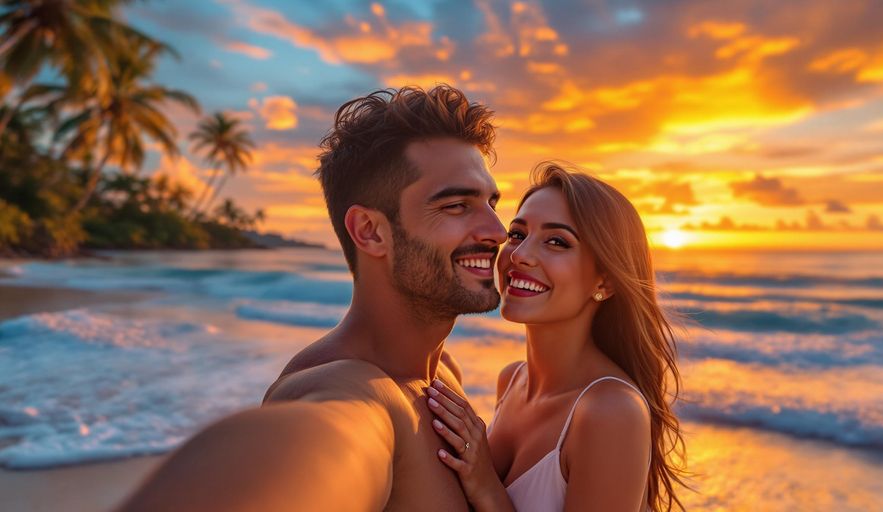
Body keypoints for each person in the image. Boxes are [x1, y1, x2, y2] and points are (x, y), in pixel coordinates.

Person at [118, 85, 506, 511]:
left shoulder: (442, 375)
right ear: (371, 231)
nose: (498, 231)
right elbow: (319, 444)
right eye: (456, 206)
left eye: (491, 202)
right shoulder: (352, 389)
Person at [426, 163, 688, 511]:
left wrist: (486, 486)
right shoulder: (512, 381)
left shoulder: (610, 411)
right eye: (518, 234)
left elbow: (487, 489)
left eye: (556, 241)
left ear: (605, 281)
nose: (519, 256)